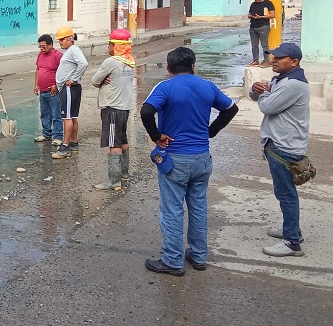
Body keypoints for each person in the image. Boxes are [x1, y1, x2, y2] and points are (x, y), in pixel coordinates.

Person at [140, 47, 239, 276]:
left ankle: (173, 261)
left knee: (172, 210)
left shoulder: (165, 87)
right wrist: (210, 131)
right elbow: (231, 108)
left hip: (175, 159)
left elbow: (146, 112)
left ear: (168, 68)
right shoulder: (207, 86)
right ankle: (198, 255)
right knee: (198, 207)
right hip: (202, 158)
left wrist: (156, 136)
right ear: (193, 65)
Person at [249, 42, 310, 258]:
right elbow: (262, 98)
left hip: (284, 146)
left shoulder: (292, 84)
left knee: (286, 194)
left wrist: (264, 94)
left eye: (279, 58)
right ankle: (291, 230)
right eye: (273, 56)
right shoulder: (281, 79)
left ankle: (292, 242)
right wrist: (256, 90)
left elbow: (267, 106)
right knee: (283, 192)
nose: (273, 60)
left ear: (294, 62)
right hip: (280, 143)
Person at [91, 28, 136, 191]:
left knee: (113, 143)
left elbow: (95, 81)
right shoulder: (129, 61)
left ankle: (114, 180)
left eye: (110, 44)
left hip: (112, 108)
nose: (108, 48)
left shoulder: (110, 62)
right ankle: (124, 173)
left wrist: (102, 82)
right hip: (124, 107)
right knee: (123, 140)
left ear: (115, 46)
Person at [51, 25, 87, 159]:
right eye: (59, 40)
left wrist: (74, 79)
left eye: (62, 39)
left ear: (71, 38)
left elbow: (83, 64)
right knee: (72, 116)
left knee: (67, 118)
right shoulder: (70, 51)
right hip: (68, 88)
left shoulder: (73, 50)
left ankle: (65, 146)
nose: (60, 42)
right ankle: (73, 142)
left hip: (69, 89)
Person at [33, 34, 63, 147]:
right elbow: (38, 70)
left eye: (44, 46)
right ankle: (46, 134)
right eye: (40, 46)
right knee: (44, 114)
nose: (41, 49)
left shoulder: (57, 56)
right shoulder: (40, 54)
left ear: (51, 45)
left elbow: (64, 72)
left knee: (56, 115)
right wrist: (36, 85)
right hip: (43, 91)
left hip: (53, 91)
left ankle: (58, 136)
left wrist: (57, 85)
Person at [247, 0, 275, 67]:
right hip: (253, 27)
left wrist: (261, 17)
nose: (256, 0)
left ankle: (266, 60)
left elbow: (272, 15)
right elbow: (249, 14)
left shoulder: (268, 3)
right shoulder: (253, 4)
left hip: (263, 26)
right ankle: (255, 60)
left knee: (264, 45)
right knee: (254, 45)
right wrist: (250, 16)